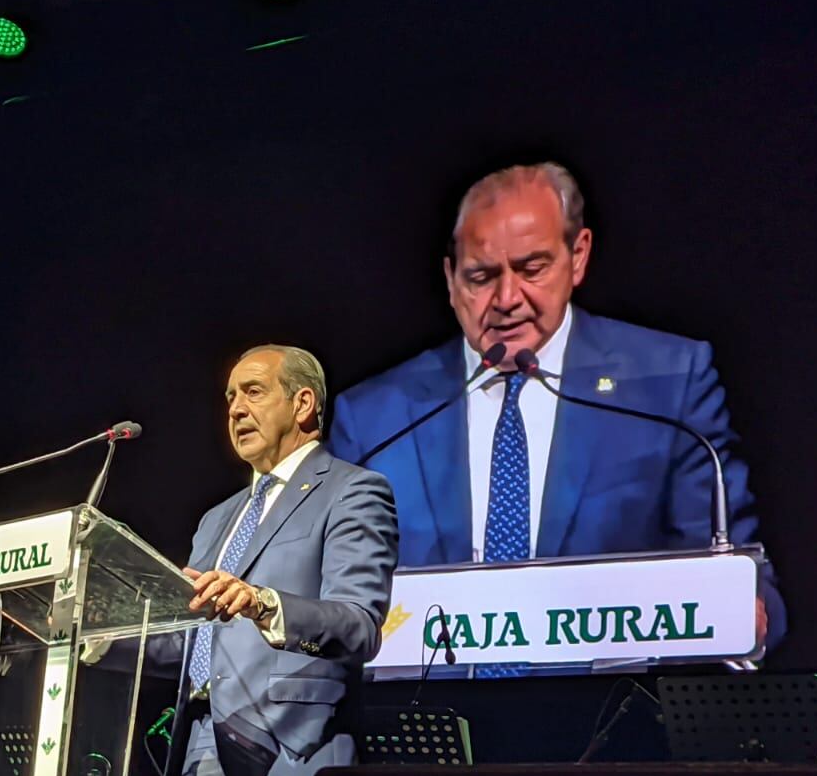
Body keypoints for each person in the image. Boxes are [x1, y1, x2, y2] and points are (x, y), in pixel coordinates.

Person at [325, 162, 785, 649]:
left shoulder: (668, 386)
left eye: (531, 269)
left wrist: (741, 610)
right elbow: (328, 597)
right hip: (430, 712)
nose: (506, 298)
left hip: (614, 712)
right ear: (450, 278)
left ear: (578, 256)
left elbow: (738, 580)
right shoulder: (375, 420)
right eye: (481, 276)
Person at [162, 344, 398, 776]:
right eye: (229, 398)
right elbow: (190, 638)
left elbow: (358, 623)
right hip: (198, 756)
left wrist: (266, 602)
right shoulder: (218, 519)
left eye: (253, 391)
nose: (235, 408)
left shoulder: (352, 491)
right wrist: (92, 632)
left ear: (303, 403)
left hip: (287, 753)